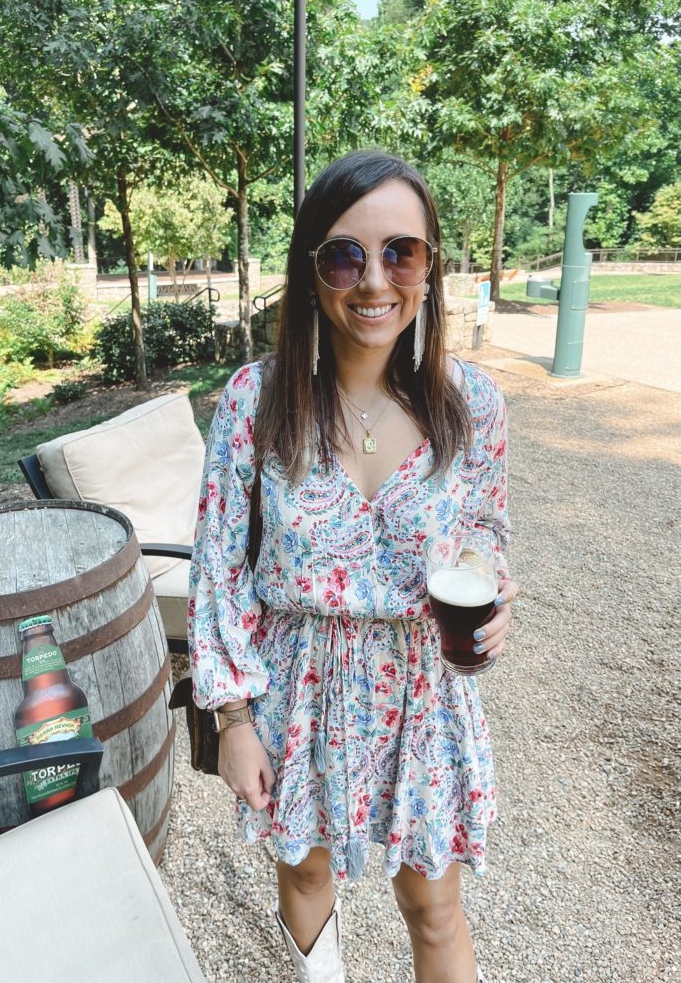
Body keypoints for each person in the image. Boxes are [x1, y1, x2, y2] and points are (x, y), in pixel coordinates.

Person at [187, 151, 518, 983]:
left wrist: (492, 593)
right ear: (311, 271)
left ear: (429, 267)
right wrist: (231, 721)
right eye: (344, 254)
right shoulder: (254, 401)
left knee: (433, 907)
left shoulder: (471, 402)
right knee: (304, 869)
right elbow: (219, 564)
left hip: (422, 689)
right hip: (293, 687)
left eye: (399, 252)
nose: (373, 280)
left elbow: (482, 533)